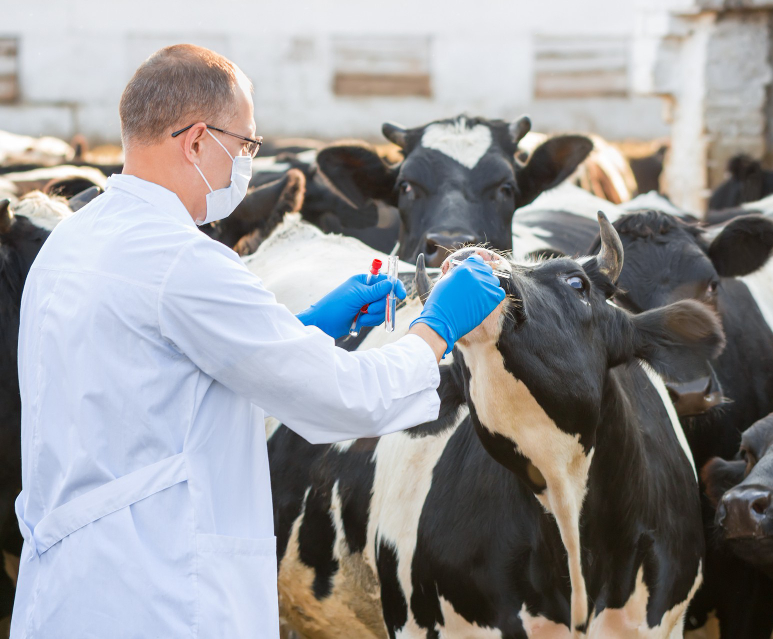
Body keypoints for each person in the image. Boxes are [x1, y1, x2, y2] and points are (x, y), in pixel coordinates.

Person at [11, 44, 505, 638]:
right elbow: (346, 398)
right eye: (245, 145)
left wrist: (302, 331)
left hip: (71, 590)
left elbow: (153, 383)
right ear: (196, 141)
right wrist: (438, 327)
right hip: (159, 597)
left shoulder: (73, 241)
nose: (246, 164)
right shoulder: (183, 263)